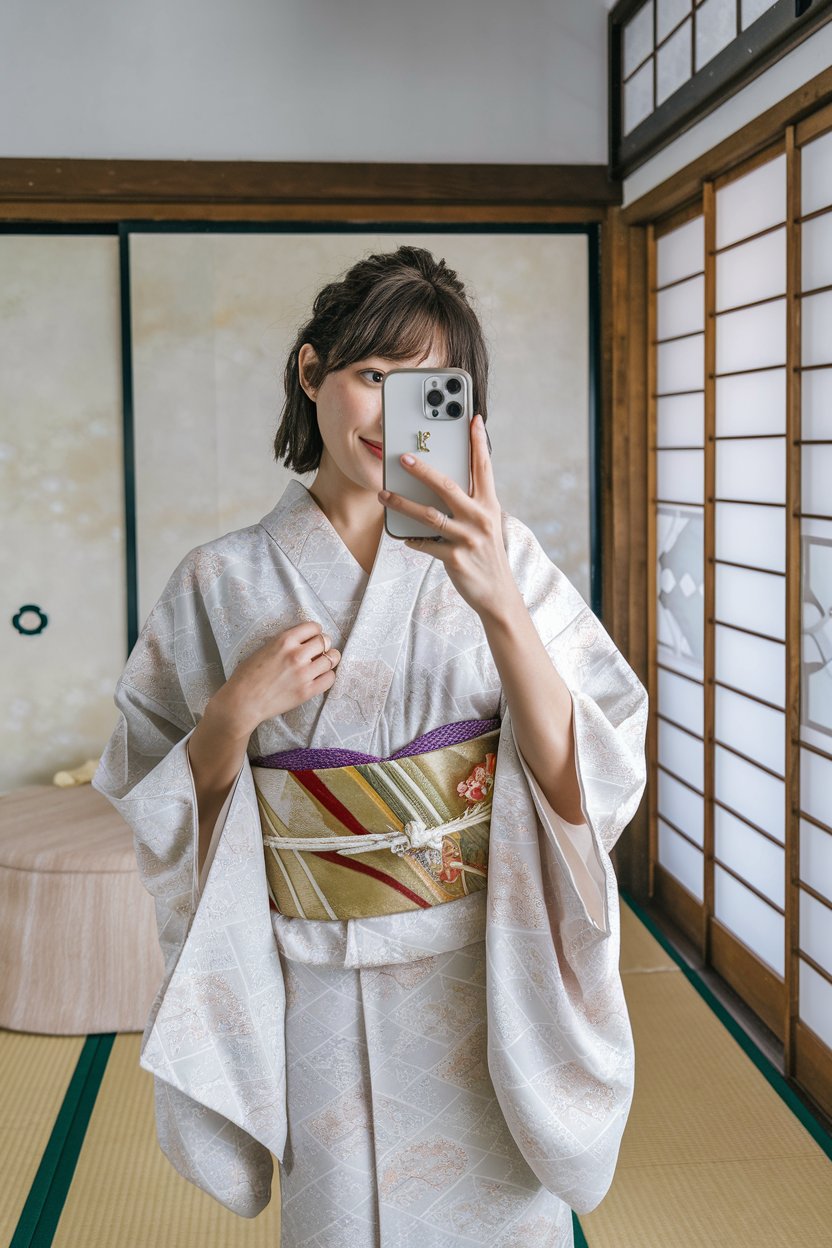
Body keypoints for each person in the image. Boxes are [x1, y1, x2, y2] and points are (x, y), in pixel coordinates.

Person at [92, 244, 648, 1246]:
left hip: (480, 978)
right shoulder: (219, 582)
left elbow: (587, 783)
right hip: (312, 972)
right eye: (368, 377)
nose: (389, 413)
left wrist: (498, 605)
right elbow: (152, 796)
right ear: (311, 375)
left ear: (459, 403)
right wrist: (232, 716)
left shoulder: (500, 552)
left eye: (421, 385)